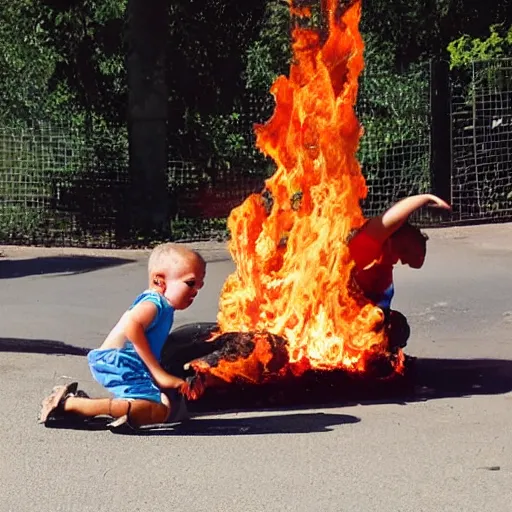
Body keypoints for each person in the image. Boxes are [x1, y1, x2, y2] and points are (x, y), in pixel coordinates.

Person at [39, 243, 206, 431]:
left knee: (163, 407)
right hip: (120, 360)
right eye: (190, 283)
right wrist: (158, 373)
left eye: (200, 286)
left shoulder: (162, 305)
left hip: (124, 360)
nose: (195, 291)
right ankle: (70, 405)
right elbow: (131, 325)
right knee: (157, 410)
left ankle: (112, 411)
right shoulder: (154, 304)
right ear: (160, 280)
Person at [348, 194, 451, 348]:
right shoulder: (366, 247)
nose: (400, 260)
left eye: (404, 258)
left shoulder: (384, 265)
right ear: (389, 240)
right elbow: (389, 220)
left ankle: (375, 351)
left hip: (363, 328)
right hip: (341, 322)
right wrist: (426, 198)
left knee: (399, 328)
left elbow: (417, 262)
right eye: (403, 252)